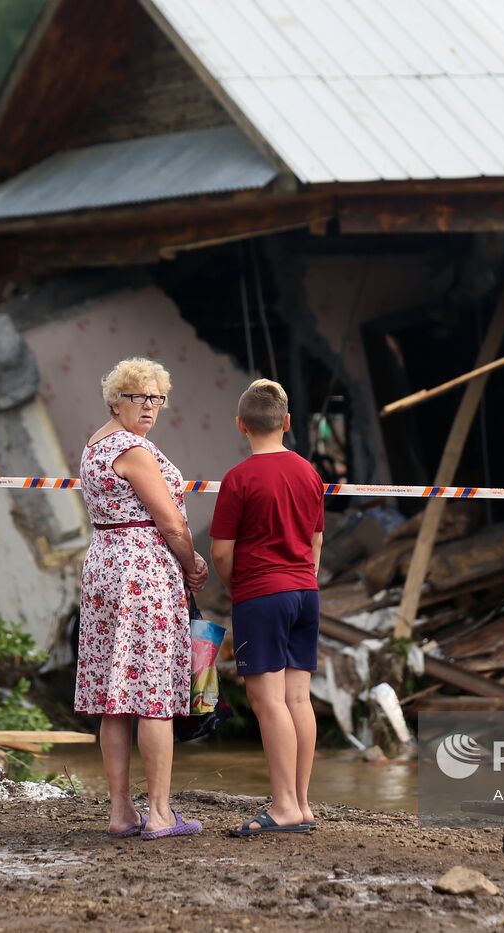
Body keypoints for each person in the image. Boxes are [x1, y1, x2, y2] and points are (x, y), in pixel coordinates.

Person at [76, 357, 208, 841]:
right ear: (117, 400)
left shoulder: (95, 443)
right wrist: (192, 562)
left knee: (115, 697)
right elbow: (170, 522)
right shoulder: (133, 449)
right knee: (153, 695)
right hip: (143, 572)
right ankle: (158, 813)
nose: (150, 406)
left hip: (105, 565)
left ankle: (119, 812)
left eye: (156, 398)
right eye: (139, 397)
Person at [210, 379, 325, 836]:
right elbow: (317, 538)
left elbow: (221, 552)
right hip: (305, 592)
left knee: (266, 699)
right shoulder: (309, 473)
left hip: (261, 593)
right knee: (298, 697)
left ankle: (282, 807)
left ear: (242, 426)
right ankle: (301, 802)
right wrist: (305, 576)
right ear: (288, 423)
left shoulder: (239, 479)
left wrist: (239, 586)